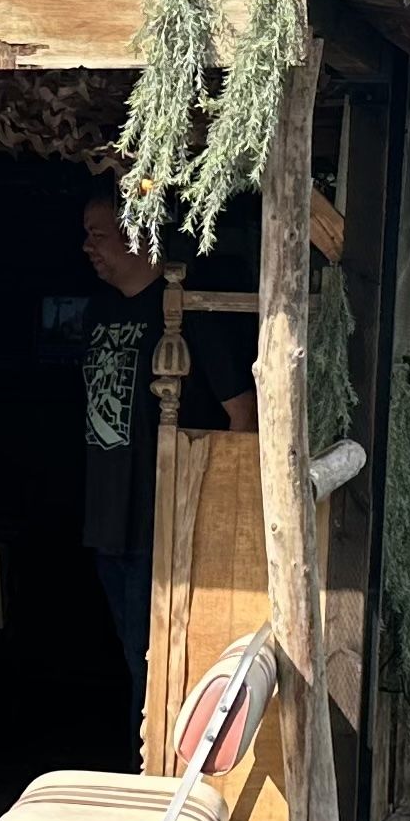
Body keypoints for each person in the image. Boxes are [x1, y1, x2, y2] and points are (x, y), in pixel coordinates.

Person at [75, 191, 256, 699]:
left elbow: (242, 412)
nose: (87, 247)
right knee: (131, 654)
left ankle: (150, 752)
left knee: (152, 659)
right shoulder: (97, 310)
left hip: (163, 519)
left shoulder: (187, 309)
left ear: (135, 238)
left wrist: (218, 514)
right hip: (107, 518)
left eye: (98, 235)